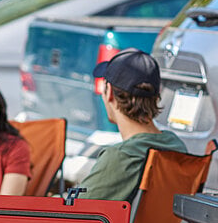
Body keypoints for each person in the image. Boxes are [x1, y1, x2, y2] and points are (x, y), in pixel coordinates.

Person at [79, 48, 187, 203]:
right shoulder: (177, 147)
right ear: (157, 96)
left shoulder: (121, 156)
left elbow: (77, 209)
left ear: (108, 92)